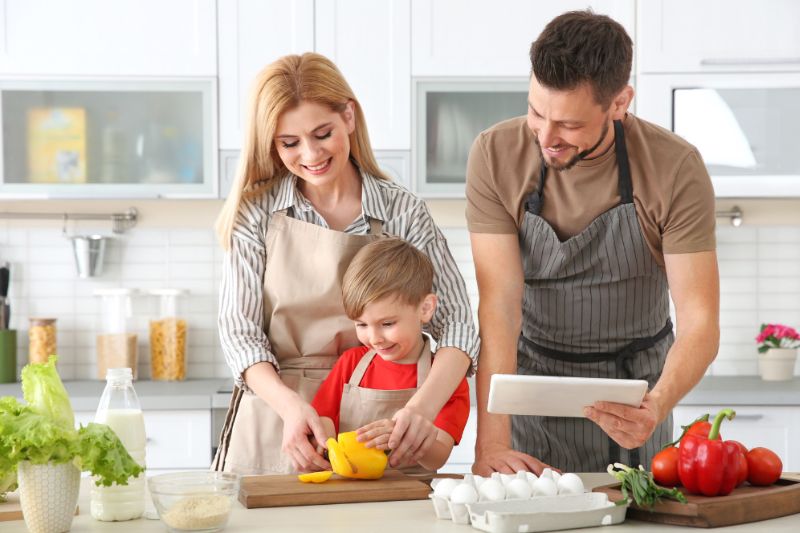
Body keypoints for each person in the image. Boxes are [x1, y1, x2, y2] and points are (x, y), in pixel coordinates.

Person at [466, 10, 719, 474]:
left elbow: (700, 319)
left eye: (569, 125)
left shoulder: (674, 168)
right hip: (533, 389)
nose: (546, 136)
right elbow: (499, 305)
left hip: (635, 391)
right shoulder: (494, 154)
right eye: (536, 112)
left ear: (620, 102)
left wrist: (655, 405)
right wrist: (491, 444)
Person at [212, 52, 479, 475]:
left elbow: (458, 326)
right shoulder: (256, 213)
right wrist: (291, 407)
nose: (310, 154)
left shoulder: (401, 211)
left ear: (349, 117)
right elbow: (240, 334)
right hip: (276, 416)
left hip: (378, 410)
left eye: (323, 133)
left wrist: (420, 409)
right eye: (289, 143)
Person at [311, 237, 470, 472]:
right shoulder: (351, 363)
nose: (374, 338)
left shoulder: (446, 379)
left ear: (425, 309)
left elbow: (438, 458)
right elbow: (324, 417)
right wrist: (322, 444)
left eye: (386, 323)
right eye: (361, 325)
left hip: (412, 497)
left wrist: (408, 438)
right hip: (348, 491)